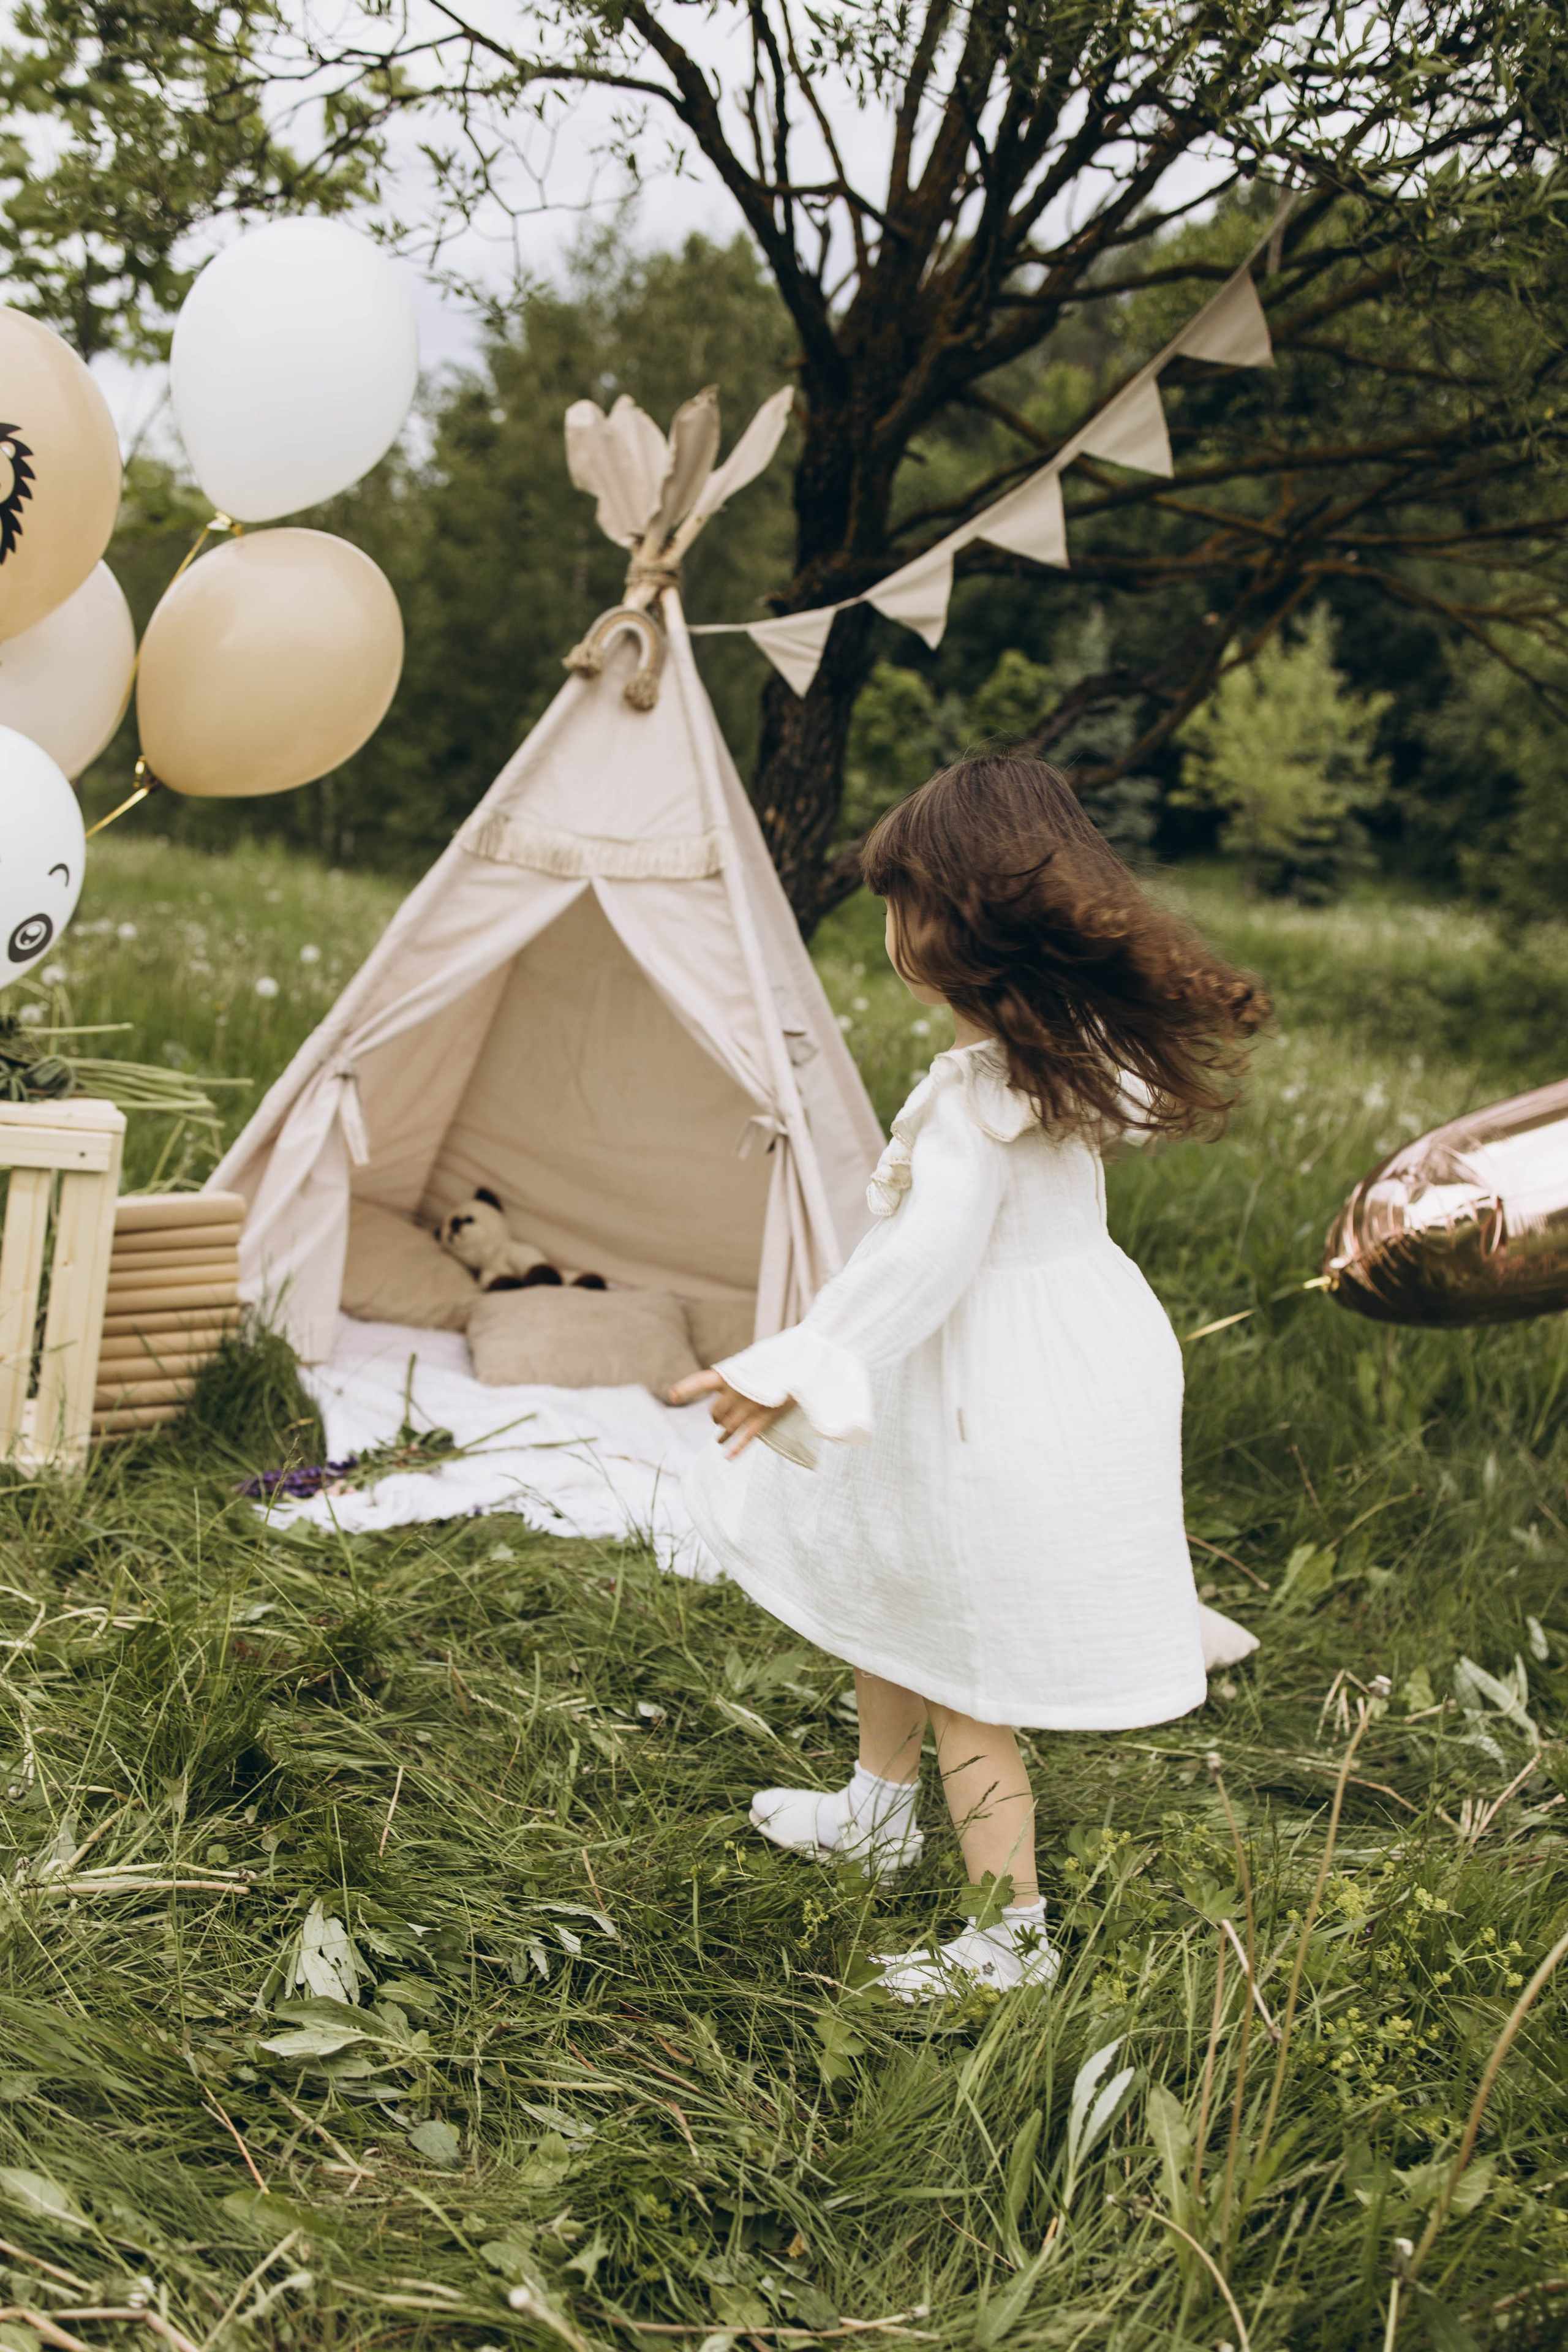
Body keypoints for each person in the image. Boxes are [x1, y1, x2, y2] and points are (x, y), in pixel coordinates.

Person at [674, 755, 1268, 2002]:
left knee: (965, 1674)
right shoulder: (1062, 1060)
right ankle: (878, 1811)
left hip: (978, 1388)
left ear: (942, 924)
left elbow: (927, 1261)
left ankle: (1010, 1937)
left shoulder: (979, 1100)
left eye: (896, 900)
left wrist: (810, 1355)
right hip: (1051, 1358)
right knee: (892, 1584)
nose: (888, 925)